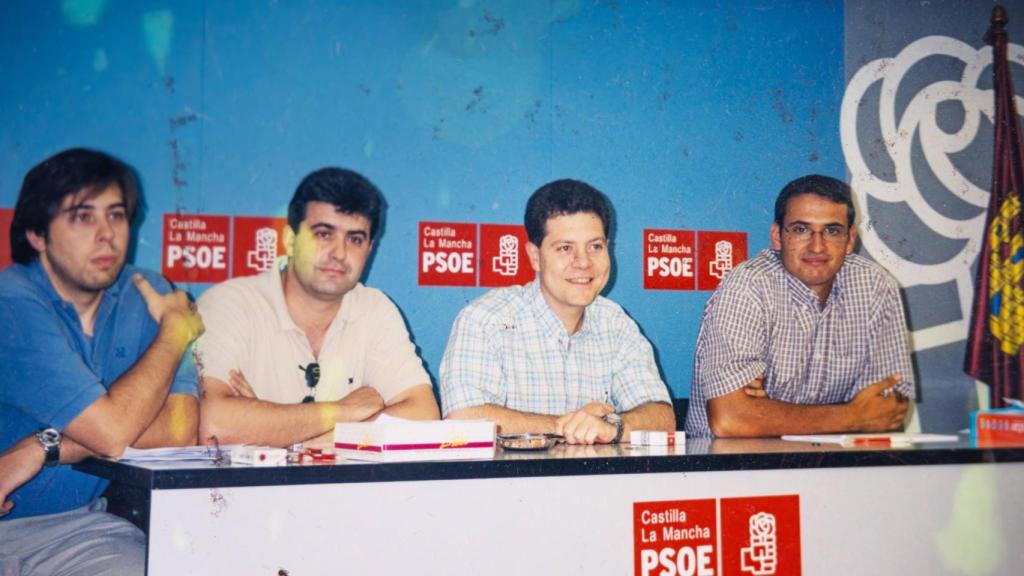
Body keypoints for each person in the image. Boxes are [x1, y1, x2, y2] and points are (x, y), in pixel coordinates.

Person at [0, 148, 204, 574]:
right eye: (83, 217)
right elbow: (110, 434)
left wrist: (47, 448)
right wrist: (175, 331)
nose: (107, 234)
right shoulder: (11, 302)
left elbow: (181, 427)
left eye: (116, 215)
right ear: (37, 234)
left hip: (81, 530)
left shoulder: (147, 293)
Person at [195, 167, 438, 448]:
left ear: (369, 250)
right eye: (324, 234)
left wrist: (292, 437)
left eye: (355, 239)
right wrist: (341, 411)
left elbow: (423, 415)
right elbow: (215, 428)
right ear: (290, 240)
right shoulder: (230, 304)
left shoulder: (375, 308)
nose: (339, 253)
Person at [440, 179, 674, 444]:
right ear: (535, 256)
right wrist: (564, 426)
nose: (583, 262)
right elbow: (463, 419)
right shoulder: (486, 320)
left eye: (595, 246)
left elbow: (662, 418)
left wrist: (613, 426)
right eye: (565, 248)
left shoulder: (616, 323)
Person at [685, 174, 914, 438]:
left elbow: (887, 410)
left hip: (832, 458)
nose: (817, 246)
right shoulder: (749, 285)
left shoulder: (875, 285)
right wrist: (852, 415)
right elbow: (730, 419)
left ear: (850, 239)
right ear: (777, 236)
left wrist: (764, 411)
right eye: (801, 229)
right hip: (733, 461)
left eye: (832, 231)